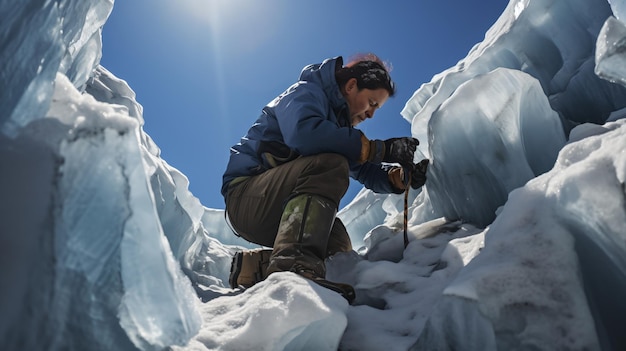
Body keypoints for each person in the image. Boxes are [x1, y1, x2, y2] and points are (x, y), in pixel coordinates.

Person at [222, 54, 429, 303]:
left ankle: (253, 268)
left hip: (275, 205)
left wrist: (398, 177)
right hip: (247, 196)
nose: (372, 114)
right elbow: (305, 134)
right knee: (331, 164)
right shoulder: (306, 93)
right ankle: (294, 269)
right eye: (371, 102)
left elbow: (363, 169)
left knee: (338, 247)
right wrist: (381, 149)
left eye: (377, 108)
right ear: (351, 85)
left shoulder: (338, 130)